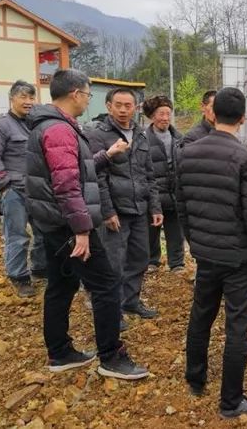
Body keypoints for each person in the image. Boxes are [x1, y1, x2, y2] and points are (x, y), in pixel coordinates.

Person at [25, 68, 148, 379]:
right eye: (88, 94)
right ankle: (111, 357)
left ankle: (60, 351)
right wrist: (81, 230)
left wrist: (106, 155)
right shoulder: (58, 130)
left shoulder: (52, 126)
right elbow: (66, 184)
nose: (86, 100)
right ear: (76, 94)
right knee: (106, 285)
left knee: (61, 284)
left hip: (54, 222)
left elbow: (75, 169)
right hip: (69, 224)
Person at [178, 87, 247, 419]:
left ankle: (195, 379)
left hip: (207, 255)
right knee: (237, 328)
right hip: (238, 259)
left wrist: (196, 243)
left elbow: (182, 207)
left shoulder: (187, 153)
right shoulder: (246, 159)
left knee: (201, 315)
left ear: (212, 113)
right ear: (243, 118)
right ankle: (231, 402)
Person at [86, 89, 163, 322]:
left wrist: (155, 207)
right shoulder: (98, 135)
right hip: (115, 210)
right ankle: (113, 311)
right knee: (113, 262)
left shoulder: (140, 134)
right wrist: (107, 211)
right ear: (109, 106)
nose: (123, 110)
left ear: (136, 108)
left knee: (140, 258)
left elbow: (149, 174)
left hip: (139, 208)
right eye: (118, 105)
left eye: (128, 105)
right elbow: (96, 177)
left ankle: (131, 301)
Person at [0, 80, 47, 296]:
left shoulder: (37, 123)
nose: (28, 102)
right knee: (17, 236)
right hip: (15, 191)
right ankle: (19, 276)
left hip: (39, 189)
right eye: (23, 97)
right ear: (12, 98)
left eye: (31, 97)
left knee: (44, 233)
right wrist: (5, 186)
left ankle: (40, 268)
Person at [143, 96, 185, 273]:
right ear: (152, 116)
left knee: (176, 230)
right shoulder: (143, 138)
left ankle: (177, 263)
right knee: (152, 230)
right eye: (161, 114)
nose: (165, 118)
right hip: (154, 193)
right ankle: (152, 260)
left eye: (168, 113)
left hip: (175, 192)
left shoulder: (179, 137)